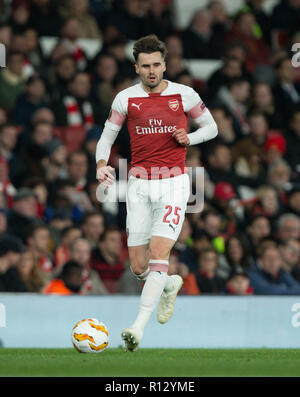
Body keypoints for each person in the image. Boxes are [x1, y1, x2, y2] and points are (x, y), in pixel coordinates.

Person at [95, 34, 217, 351]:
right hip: (138, 184)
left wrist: (190, 138)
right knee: (138, 266)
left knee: (160, 252)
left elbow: (212, 128)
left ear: (164, 64)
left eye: (156, 65)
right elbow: (106, 137)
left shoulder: (185, 95)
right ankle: (167, 285)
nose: (152, 71)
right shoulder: (125, 99)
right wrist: (100, 164)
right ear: (137, 67)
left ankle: (138, 328)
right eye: (145, 66)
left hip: (174, 183)